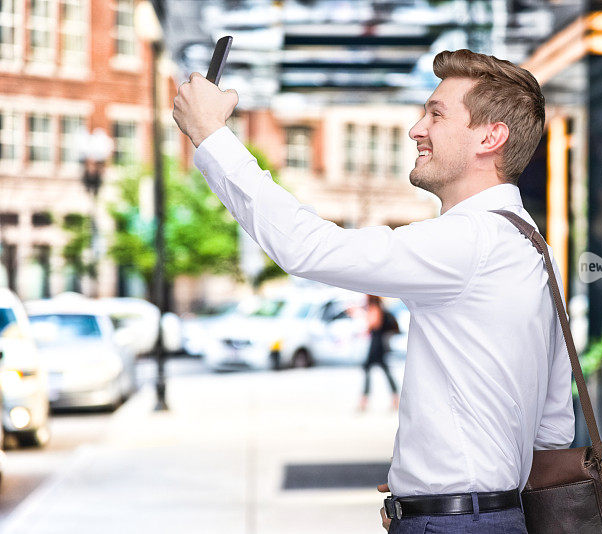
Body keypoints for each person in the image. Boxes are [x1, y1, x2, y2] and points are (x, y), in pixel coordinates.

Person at [173, 48, 574, 534]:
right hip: (494, 518)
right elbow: (553, 426)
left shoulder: (470, 240)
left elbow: (308, 248)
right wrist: (433, 487)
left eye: (437, 114)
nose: (417, 129)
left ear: (491, 137)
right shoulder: (534, 244)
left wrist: (211, 135)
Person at [359, 294, 400, 412]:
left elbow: (374, 324)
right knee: (384, 371)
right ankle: (395, 399)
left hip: (377, 345)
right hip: (377, 343)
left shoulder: (375, 307)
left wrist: (363, 315)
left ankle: (364, 401)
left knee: (372, 369)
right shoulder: (376, 307)